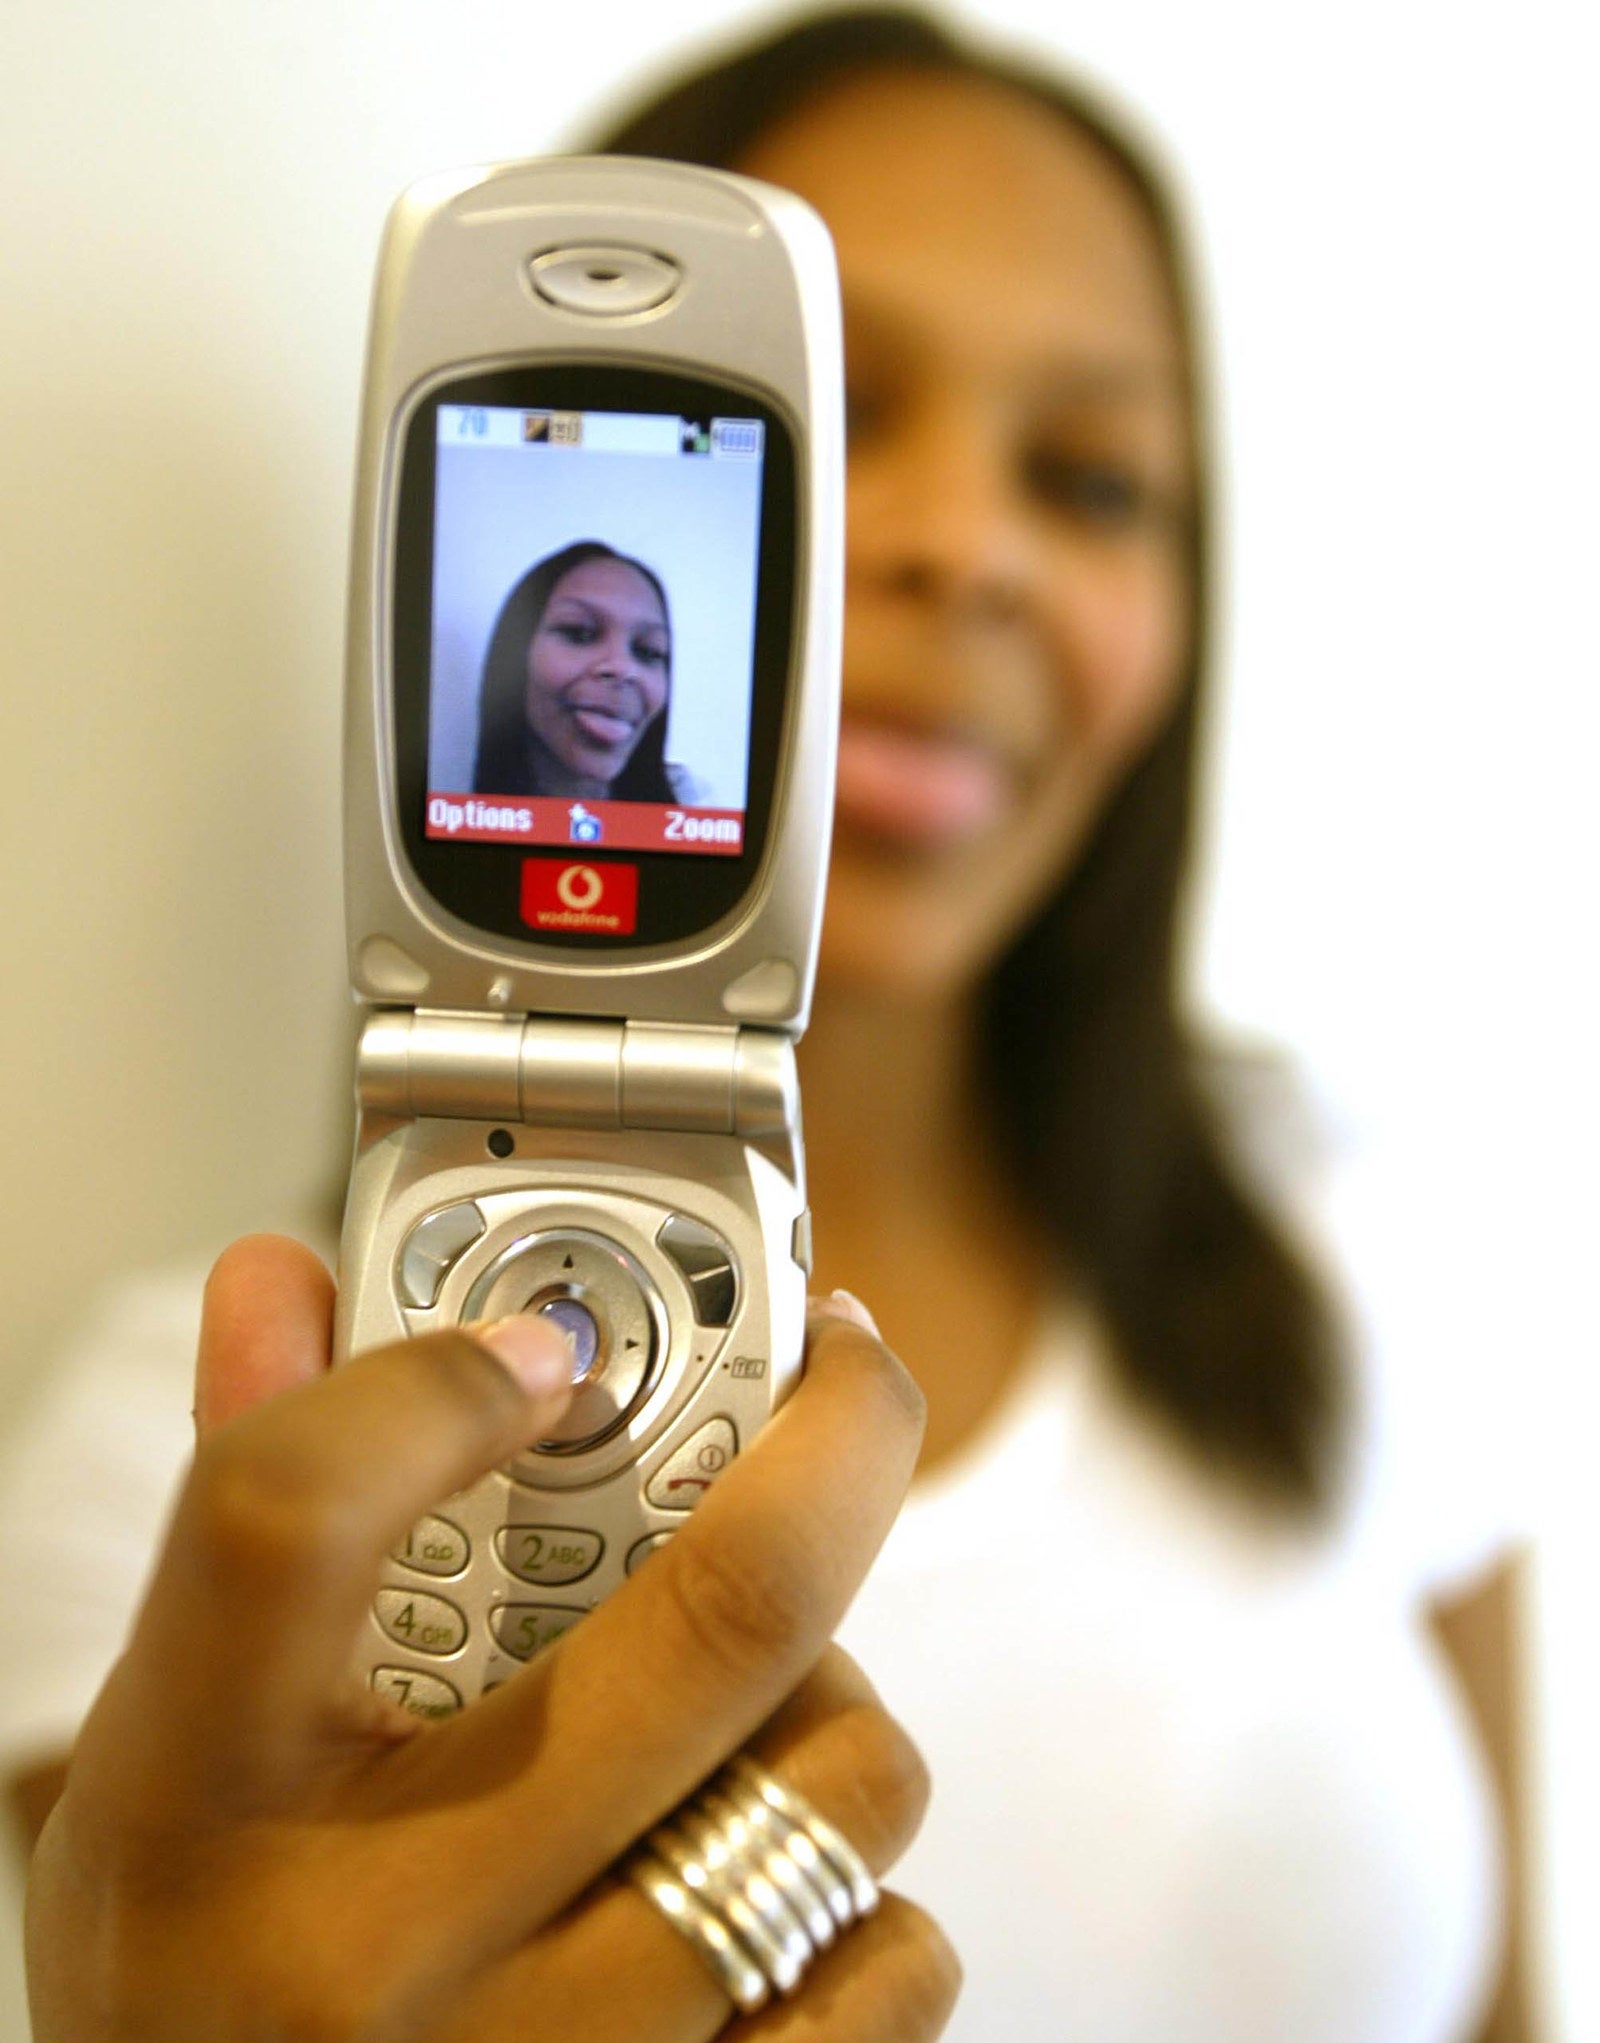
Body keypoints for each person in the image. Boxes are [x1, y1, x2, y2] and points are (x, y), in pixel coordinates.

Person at [3, 7, 1532, 2040]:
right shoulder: (189, 1487)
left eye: (1085, 476)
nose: (963, 548)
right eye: (846, 417)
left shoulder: (1340, 1239)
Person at [472, 540, 688, 802]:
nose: (622, 668)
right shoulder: (446, 812)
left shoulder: (698, 820)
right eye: (580, 633)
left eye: (648, 652)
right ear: (517, 656)